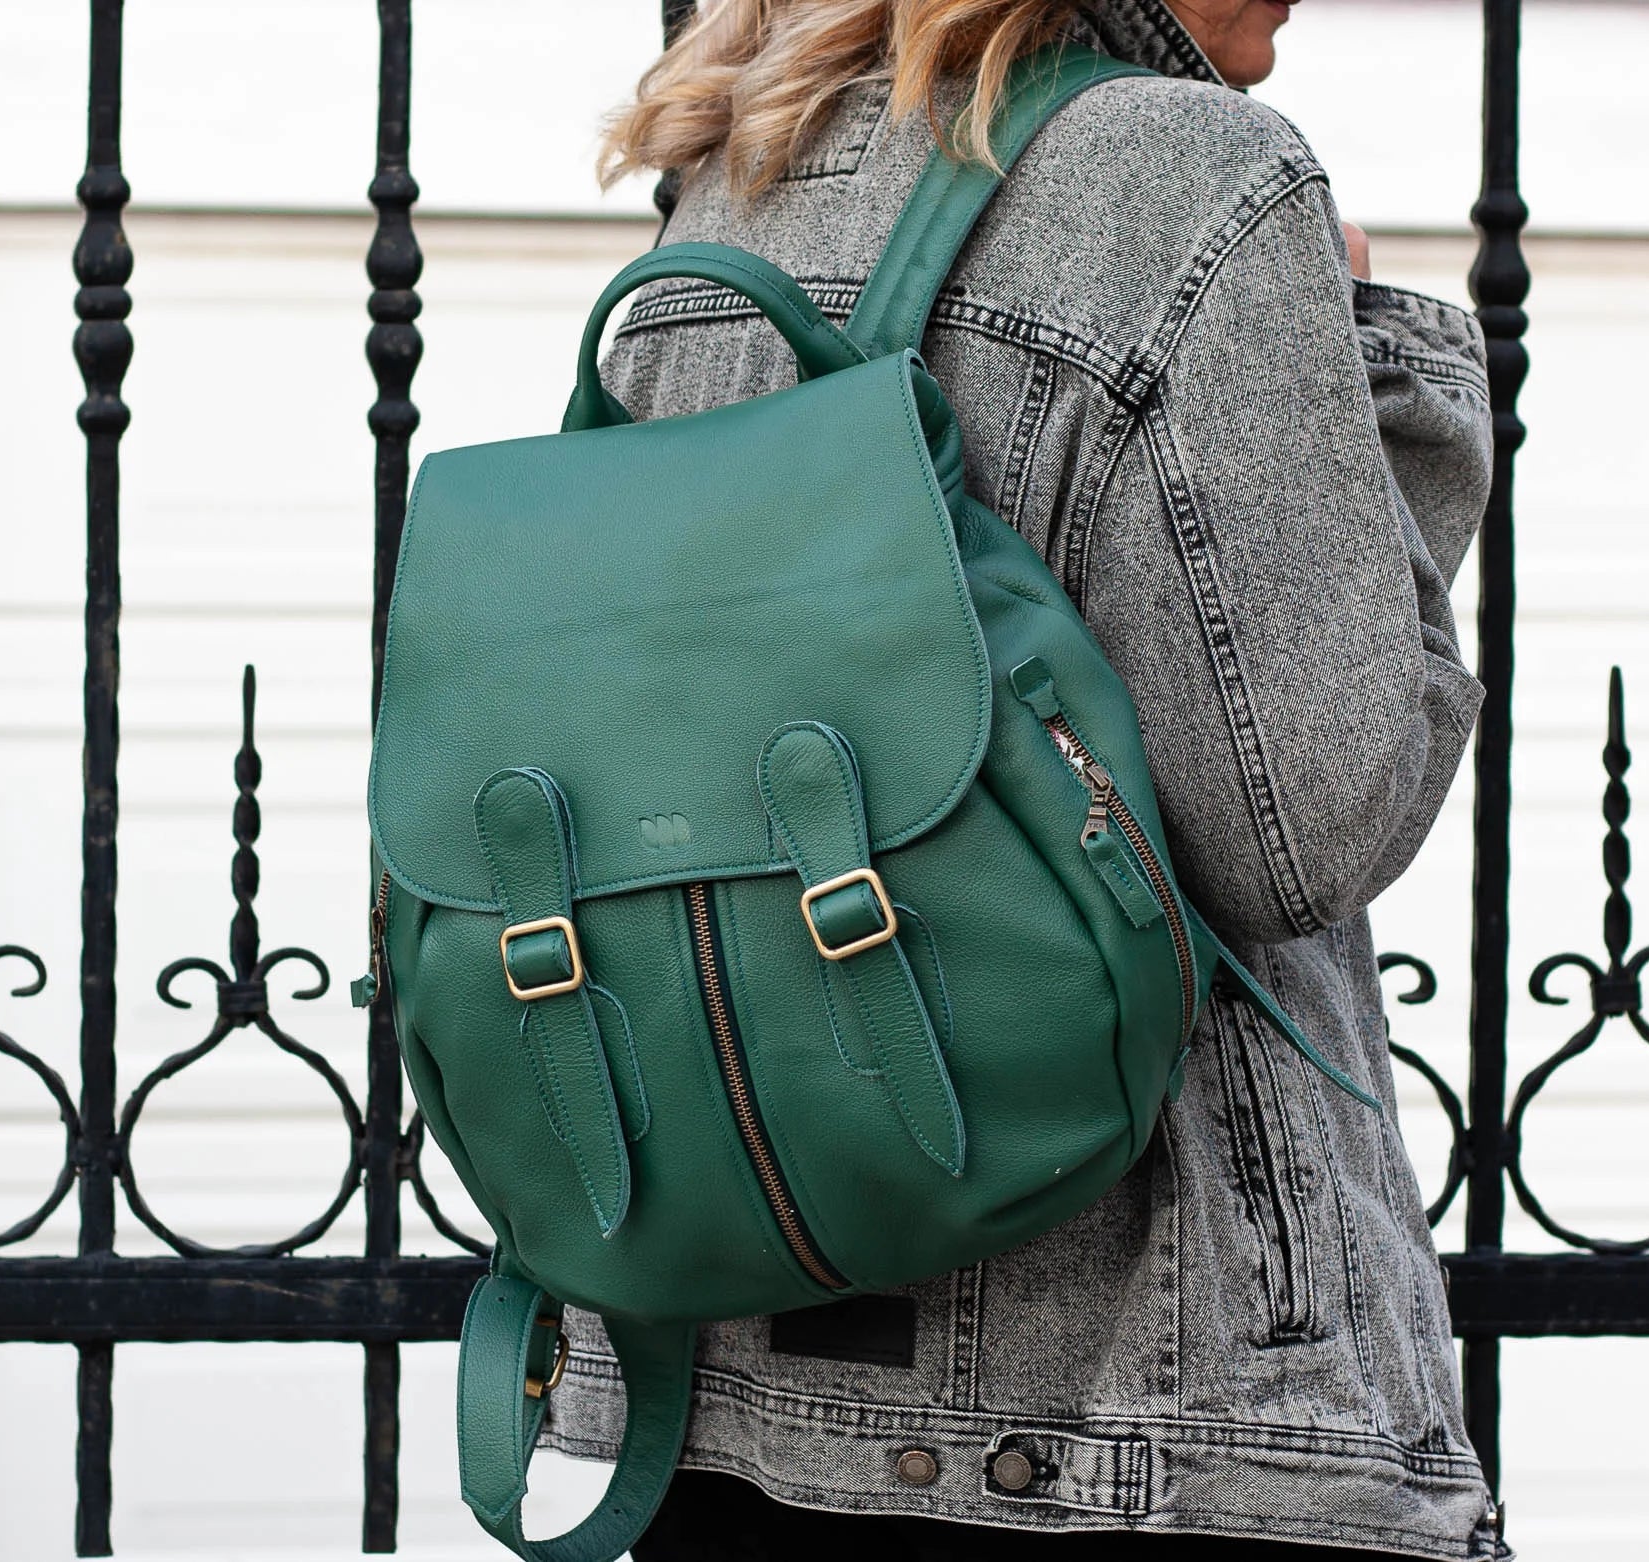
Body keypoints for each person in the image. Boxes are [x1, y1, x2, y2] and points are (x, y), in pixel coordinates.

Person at [536, 1, 1504, 1558]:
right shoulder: (1203, 178)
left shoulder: (742, 164)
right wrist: (1381, 380)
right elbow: (1307, 828)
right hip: (1135, 1416)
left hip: (726, 1377)